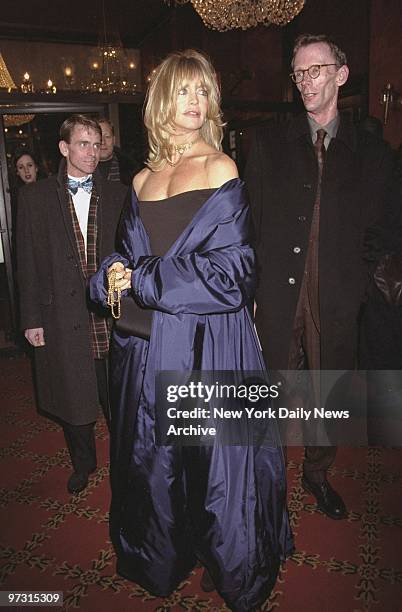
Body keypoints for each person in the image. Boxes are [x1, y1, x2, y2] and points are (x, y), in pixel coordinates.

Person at [89, 49, 292, 611]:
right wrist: (108, 277)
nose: (195, 103)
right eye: (183, 91)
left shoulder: (220, 168)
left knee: (216, 470)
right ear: (161, 101)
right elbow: (125, 259)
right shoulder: (142, 178)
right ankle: (166, 553)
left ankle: (227, 559)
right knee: (154, 465)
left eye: (203, 91)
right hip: (146, 347)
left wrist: (145, 279)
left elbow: (234, 276)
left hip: (210, 345)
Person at [245, 34, 393, 520]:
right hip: (276, 298)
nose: (306, 82)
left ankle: (316, 475)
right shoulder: (266, 144)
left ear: (341, 75)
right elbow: (250, 225)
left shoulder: (372, 152)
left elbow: (380, 231)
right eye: (299, 73)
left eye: (316, 70)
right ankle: (265, 487)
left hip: (336, 302)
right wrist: (251, 293)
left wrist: (356, 285)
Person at [16, 114, 127, 495]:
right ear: (64, 148)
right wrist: (31, 318)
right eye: (83, 144)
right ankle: (84, 463)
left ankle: (126, 462)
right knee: (74, 400)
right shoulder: (35, 197)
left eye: (97, 145)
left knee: (119, 396)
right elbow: (26, 262)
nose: (92, 152)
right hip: (62, 316)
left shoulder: (119, 194)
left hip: (112, 314)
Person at [97, 117, 139, 185]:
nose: (103, 142)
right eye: (99, 137)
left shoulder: (132, 171)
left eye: (107, 137)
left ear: (114, 140)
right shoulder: (80, 170)